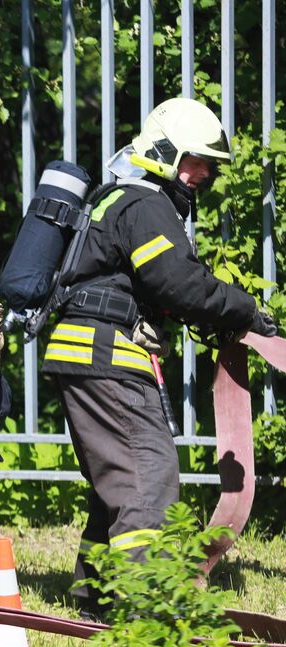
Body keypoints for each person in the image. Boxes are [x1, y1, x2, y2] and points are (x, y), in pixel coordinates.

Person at [40, 97, 276, 614]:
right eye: (196, 160)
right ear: (165, 152)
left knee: (118, 481)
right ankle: (148, 612)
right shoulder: (144, 204)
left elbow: (157, 288)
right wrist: (246, 310)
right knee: (147, 478)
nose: (204, 173)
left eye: (209, 165)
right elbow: (179, 283)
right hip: (107, 357)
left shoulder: (122, 200)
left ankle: (96, 599)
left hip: (88, 351)